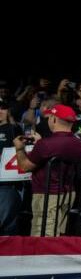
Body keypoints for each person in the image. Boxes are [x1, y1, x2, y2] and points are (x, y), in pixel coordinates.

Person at [12, 104, 81, 237]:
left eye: (50, 117)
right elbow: (57, 149)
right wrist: (41, 143)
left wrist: (19, 148)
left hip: (46, 195)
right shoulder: (79, 143)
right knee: (58, 233)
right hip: (68, 194)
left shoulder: (46, 144)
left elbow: (25, 166)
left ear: (54, 119)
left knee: (43, 235)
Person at [0, 98, 23, 235]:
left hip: (6, 184)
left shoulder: (13, 129)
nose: (0, 111)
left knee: (7, 226)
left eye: (3, 108)